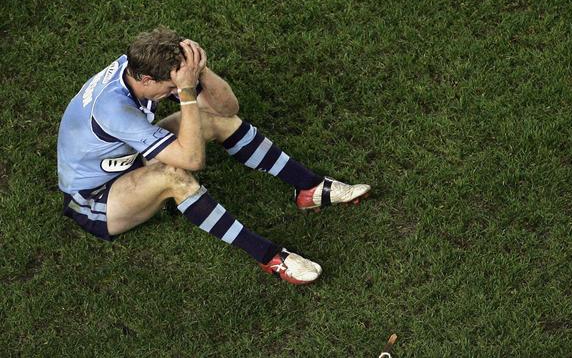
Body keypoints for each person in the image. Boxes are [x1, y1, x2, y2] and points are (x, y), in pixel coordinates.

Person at [56, 27, 370, 285]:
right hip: (95, 199)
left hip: (127, 158)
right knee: (175, 177)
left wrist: (201, 72)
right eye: (171, 87)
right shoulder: (115, 110)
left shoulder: (138, 66)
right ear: (147, 80)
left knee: (212, 120)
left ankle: (310, 188)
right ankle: (270, 257)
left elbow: (228, 109)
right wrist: (188, 93)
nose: (175, 92)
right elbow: (193, 162)